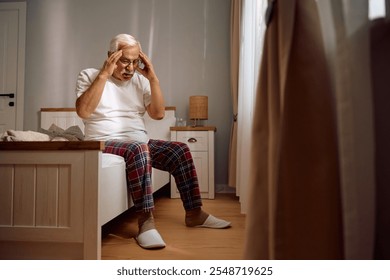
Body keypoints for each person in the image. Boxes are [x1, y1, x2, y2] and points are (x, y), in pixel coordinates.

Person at [75, 34, 231, 249]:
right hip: (102, 142)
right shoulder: (90, 75)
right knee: (139, 148)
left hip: (138, 143)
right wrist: (103, 75)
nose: (130, 67)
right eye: (124, 61)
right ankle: (146, 222)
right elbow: (83, 111)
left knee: (179, 150)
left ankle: (195, 213)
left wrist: (153, 79)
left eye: (135, 61)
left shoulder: (140, 81)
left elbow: (158, 114)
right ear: (111, 56)